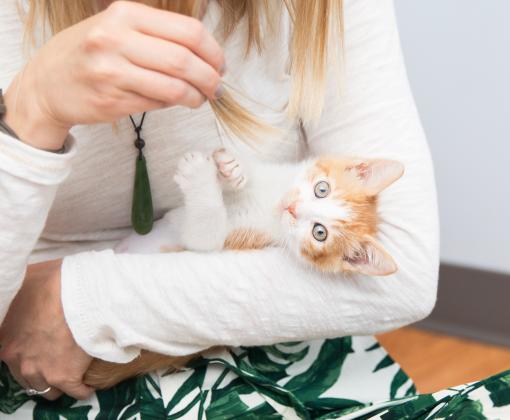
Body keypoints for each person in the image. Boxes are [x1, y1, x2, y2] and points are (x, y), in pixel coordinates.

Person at [0, 0, 507, 418]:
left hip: (264, 328)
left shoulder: (317, 12)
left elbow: (403, 277)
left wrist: (86, 298)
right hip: (44, 359)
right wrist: (31, 110)